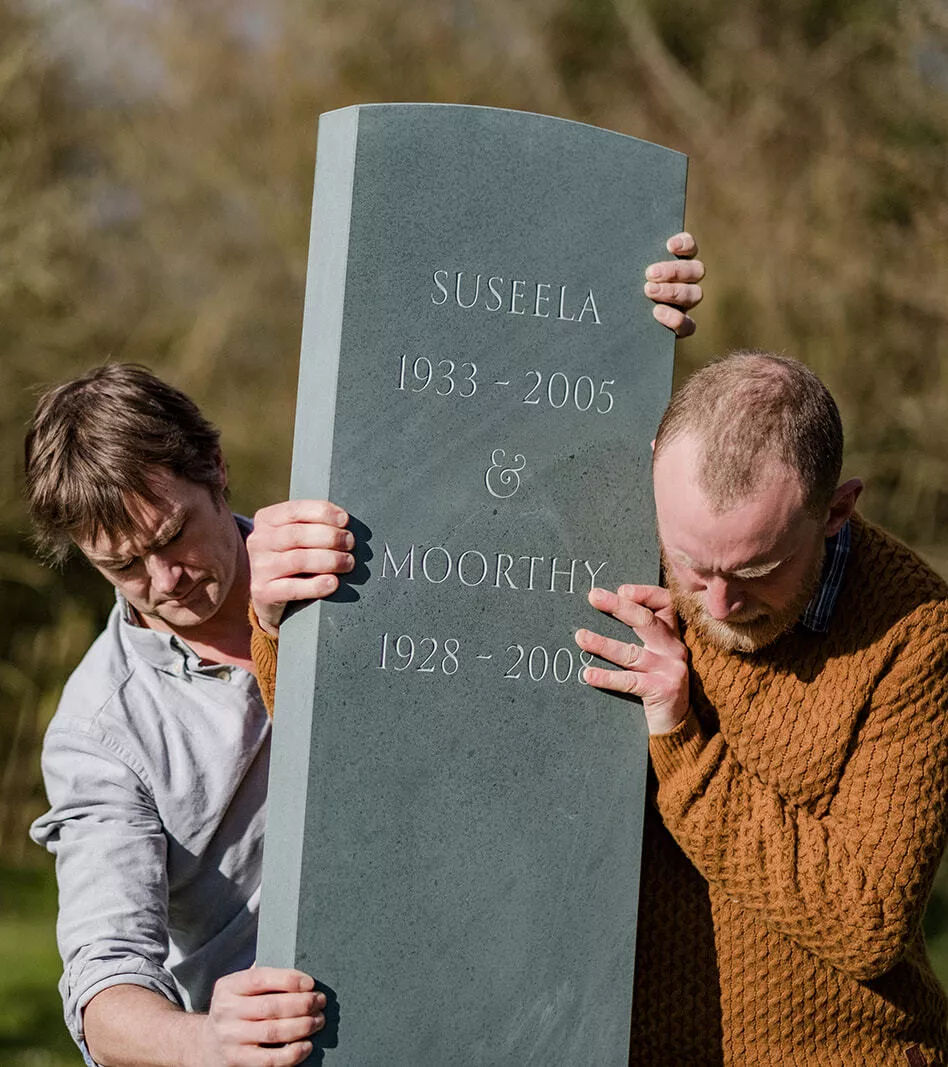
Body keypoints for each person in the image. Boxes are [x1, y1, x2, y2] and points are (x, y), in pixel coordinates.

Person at [26, 235, 703, 1067]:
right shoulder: (104, 728)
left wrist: (627, 331)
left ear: (217, 470)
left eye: (172, 536)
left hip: (504, 1010)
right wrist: (209, 1037)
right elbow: (103, 989)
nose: (164, 579)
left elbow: (531, 460)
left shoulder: (369, 550)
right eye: (121, 566)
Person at [250, 351, 948, 1064]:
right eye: (691, 564)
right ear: (653, 465)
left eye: (757, 572)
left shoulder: (918, 628)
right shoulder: (584, 543)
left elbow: (869, 919)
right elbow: (389, 750)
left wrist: (681, 738)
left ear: (837, 510)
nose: (717, 605)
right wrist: (285, 624)